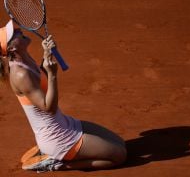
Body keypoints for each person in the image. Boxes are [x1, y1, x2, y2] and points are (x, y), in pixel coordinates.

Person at [0, 20, 127, 172]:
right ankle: (56, 164)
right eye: (15, 34)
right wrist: (53, 75)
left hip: (65, 124)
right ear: (12, 47)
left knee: (120, 143)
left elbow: (40, 81)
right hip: (58, 139)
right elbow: (49, 108)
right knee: (120, 155)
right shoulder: (20, 74)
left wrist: (46, 56)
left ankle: (54, 155)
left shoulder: (24, 58)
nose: (19, 31)